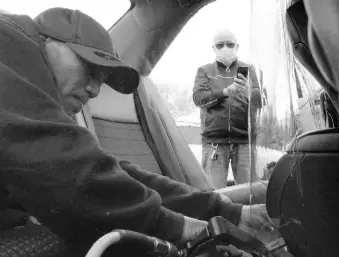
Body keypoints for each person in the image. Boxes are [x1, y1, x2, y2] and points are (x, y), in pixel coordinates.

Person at [0, 8, 273, 255]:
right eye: (90, 69)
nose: (95, 90)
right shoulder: (8, 42)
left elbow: (113, 172)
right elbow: (66, 174)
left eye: (102, 79)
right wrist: (177, 227)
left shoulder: (36, 112)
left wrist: (229, 212)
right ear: (50, 42)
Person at [193, 29, 263, 189]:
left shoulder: (250, 69)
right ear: (214, 48)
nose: (225, 48)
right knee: (213, 193)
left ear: (237, 47)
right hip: (214, 142)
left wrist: (248, 93)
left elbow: (261, 100)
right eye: (220, 44)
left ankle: (247, 215)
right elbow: (199, 98)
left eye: (230, 44)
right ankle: (215, 215)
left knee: (249, 193)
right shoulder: (204, 70)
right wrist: (225, 92)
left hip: (245, 141)